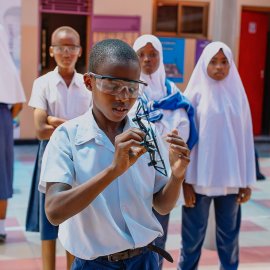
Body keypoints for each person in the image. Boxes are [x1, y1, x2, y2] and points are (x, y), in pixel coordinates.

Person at [39, 38, 190, 270]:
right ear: (89, 82)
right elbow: (54, 211)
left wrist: (177, 175)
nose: (123, 97)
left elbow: (161, 205)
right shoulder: (67, 137)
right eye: (112, 85)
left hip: (145, 260)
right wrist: (112, 171)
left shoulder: (146, 133)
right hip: (95, 264)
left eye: (132, 88)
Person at [179, 41, 256, 270]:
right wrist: (184, 181)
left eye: (224, 62)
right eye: (213, 61)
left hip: (231, 184)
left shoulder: (238, 97)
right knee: (191, 240)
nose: (219, 67)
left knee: (229, 240)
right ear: (204, 64)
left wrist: (246, 182)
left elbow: (245, 141)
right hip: (198, 182)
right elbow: (183, 142)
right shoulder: (193, 95)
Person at [25, 26, 91, 270]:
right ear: (51, 51)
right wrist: (70, 126)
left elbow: (92, 125)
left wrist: (54, 120)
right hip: (49, 155)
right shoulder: (43, 83)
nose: (67, 52)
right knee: (48, 220)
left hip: (81, 157)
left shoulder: (87, 84)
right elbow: (40, 129)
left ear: (80, 50)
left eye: (72, 47)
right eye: (61, 48)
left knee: (75, 218)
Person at [132, 34, 198, 268]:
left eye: (153, 54)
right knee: (130, 239)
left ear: (161, 56)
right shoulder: (129, 92)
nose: (147, 59)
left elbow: (184, 128)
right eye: (141, 55)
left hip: (163, 178)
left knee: (158, 235)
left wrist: (167, 140)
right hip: (133, 175)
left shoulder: (173, 94)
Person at [0, 24, 26, 243]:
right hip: (3, 120)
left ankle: (0, 227)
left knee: (2, 173)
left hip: (2, 121)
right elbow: (17, 104)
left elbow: (18, 102)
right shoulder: (7, 66)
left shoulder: (6, 66)